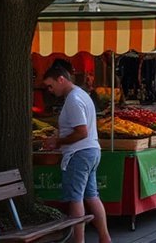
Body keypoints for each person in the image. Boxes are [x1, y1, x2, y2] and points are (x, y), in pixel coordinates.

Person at [42, 65, 111, 243]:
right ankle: (105, 238)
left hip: (79, 153)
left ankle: (79, 241)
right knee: (92, 196)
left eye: (50, 85)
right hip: (91, 150)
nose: (50, 90)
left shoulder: (73, 99)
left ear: (61, 79)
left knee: (76, 199)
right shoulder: (82, 94)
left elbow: (81, 131)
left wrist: (58, 141)